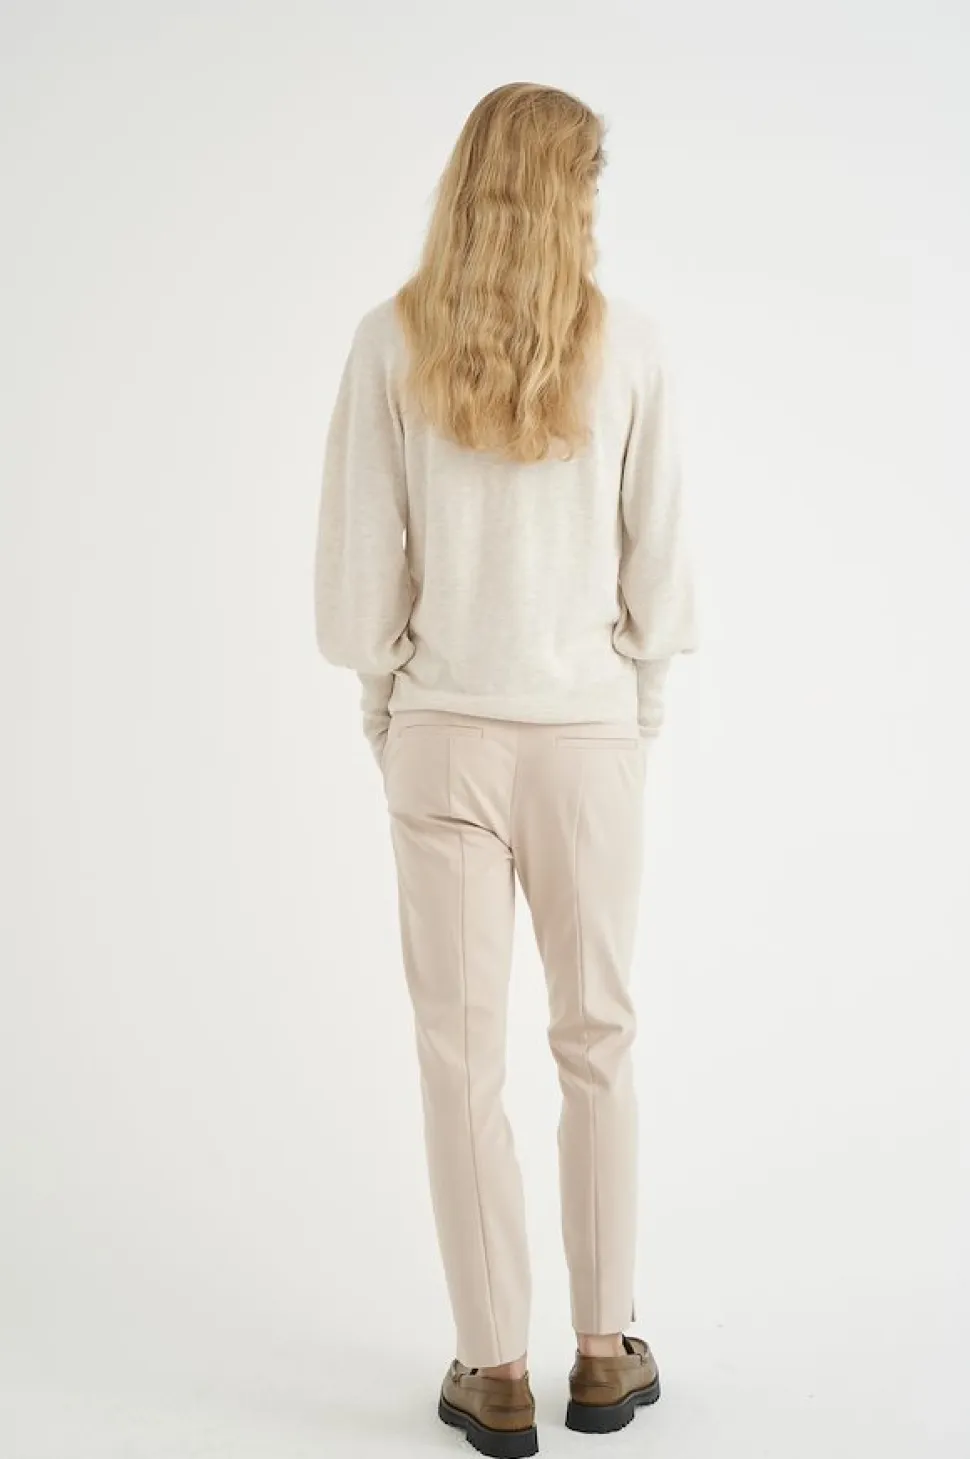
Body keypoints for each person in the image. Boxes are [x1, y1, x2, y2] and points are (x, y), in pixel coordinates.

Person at [314, 80, 698, 1458]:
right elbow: (664, 580)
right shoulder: (634, 345)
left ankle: (493, 1369)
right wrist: (631, 717)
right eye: (587, 186)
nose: (594, 211)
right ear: (564, 193)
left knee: (459, 1057)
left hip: (440, 741)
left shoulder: (388, 340)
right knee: (596, 1036)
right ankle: (601, 1350)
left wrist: (390, 716)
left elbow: (359, 584)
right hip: (588, 740)